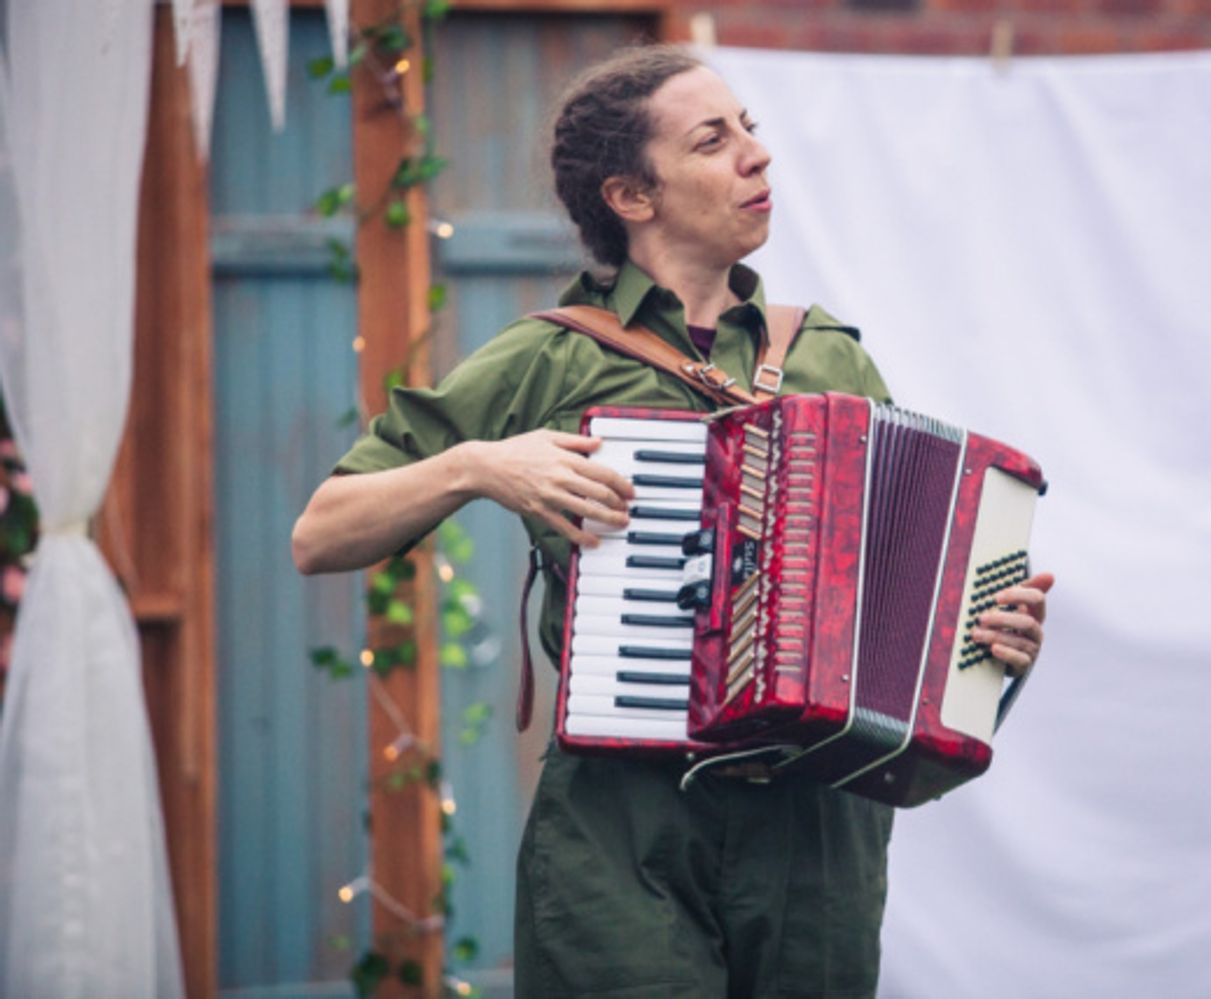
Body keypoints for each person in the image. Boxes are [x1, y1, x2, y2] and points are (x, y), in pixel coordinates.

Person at [292, 45, 1053, 998]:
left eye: (750, 129)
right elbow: (321, 532)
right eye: (711, 140)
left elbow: (898, 598)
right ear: (631, 196)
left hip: (817, 837)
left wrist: (986, 639)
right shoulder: (551, 360)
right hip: (625, 834)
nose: (755, 155)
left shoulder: (827, 359)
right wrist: (480, 464)